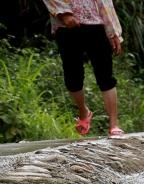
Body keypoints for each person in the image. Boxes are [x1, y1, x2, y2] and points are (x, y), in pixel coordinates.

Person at [43, 0, 125, 137]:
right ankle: (83, 112)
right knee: (72, 78)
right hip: (66, 26)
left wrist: (113, 32)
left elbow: (105, 3)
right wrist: (63, 14)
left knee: (105, 76)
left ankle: (113, 125)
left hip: (97, 24)